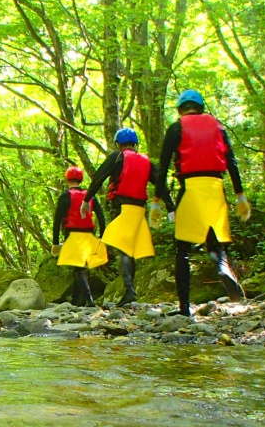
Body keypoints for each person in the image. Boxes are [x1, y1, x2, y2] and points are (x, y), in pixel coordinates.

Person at [155, 89, 252, 313]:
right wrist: (240, 195)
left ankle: (185, 307)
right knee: (214, 241)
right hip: (215, 188)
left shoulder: (176, 128)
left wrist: (157, 201)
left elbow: (163, 166)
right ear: (201, 107)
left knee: (183, 250)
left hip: (190, 187)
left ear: (181, 108)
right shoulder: (218, 127)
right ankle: (222, 267)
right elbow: (232, 162)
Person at [82, 128, 158, 305]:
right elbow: (159, 182)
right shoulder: (145, 161)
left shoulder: (117, 157)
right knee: (129, 248)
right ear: (135, 144)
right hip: (139, 210)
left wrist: (87, 199)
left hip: (121, 208)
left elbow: (98, 178)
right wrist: (168, 206)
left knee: (123, 248)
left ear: (118, 144)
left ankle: (130, 290)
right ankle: (130, 291)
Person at [51, 165, 107, 306]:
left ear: (67, 179)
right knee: (80, 266)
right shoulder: (90, 195)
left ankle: (89, 300)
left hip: (73, 234)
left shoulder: (65, 196)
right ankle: (77, 301)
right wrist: (102, 236)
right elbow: (101, 217)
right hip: (89, 234)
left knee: (78, 268)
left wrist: (55, 242)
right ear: (80, 179)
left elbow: (57, 220)